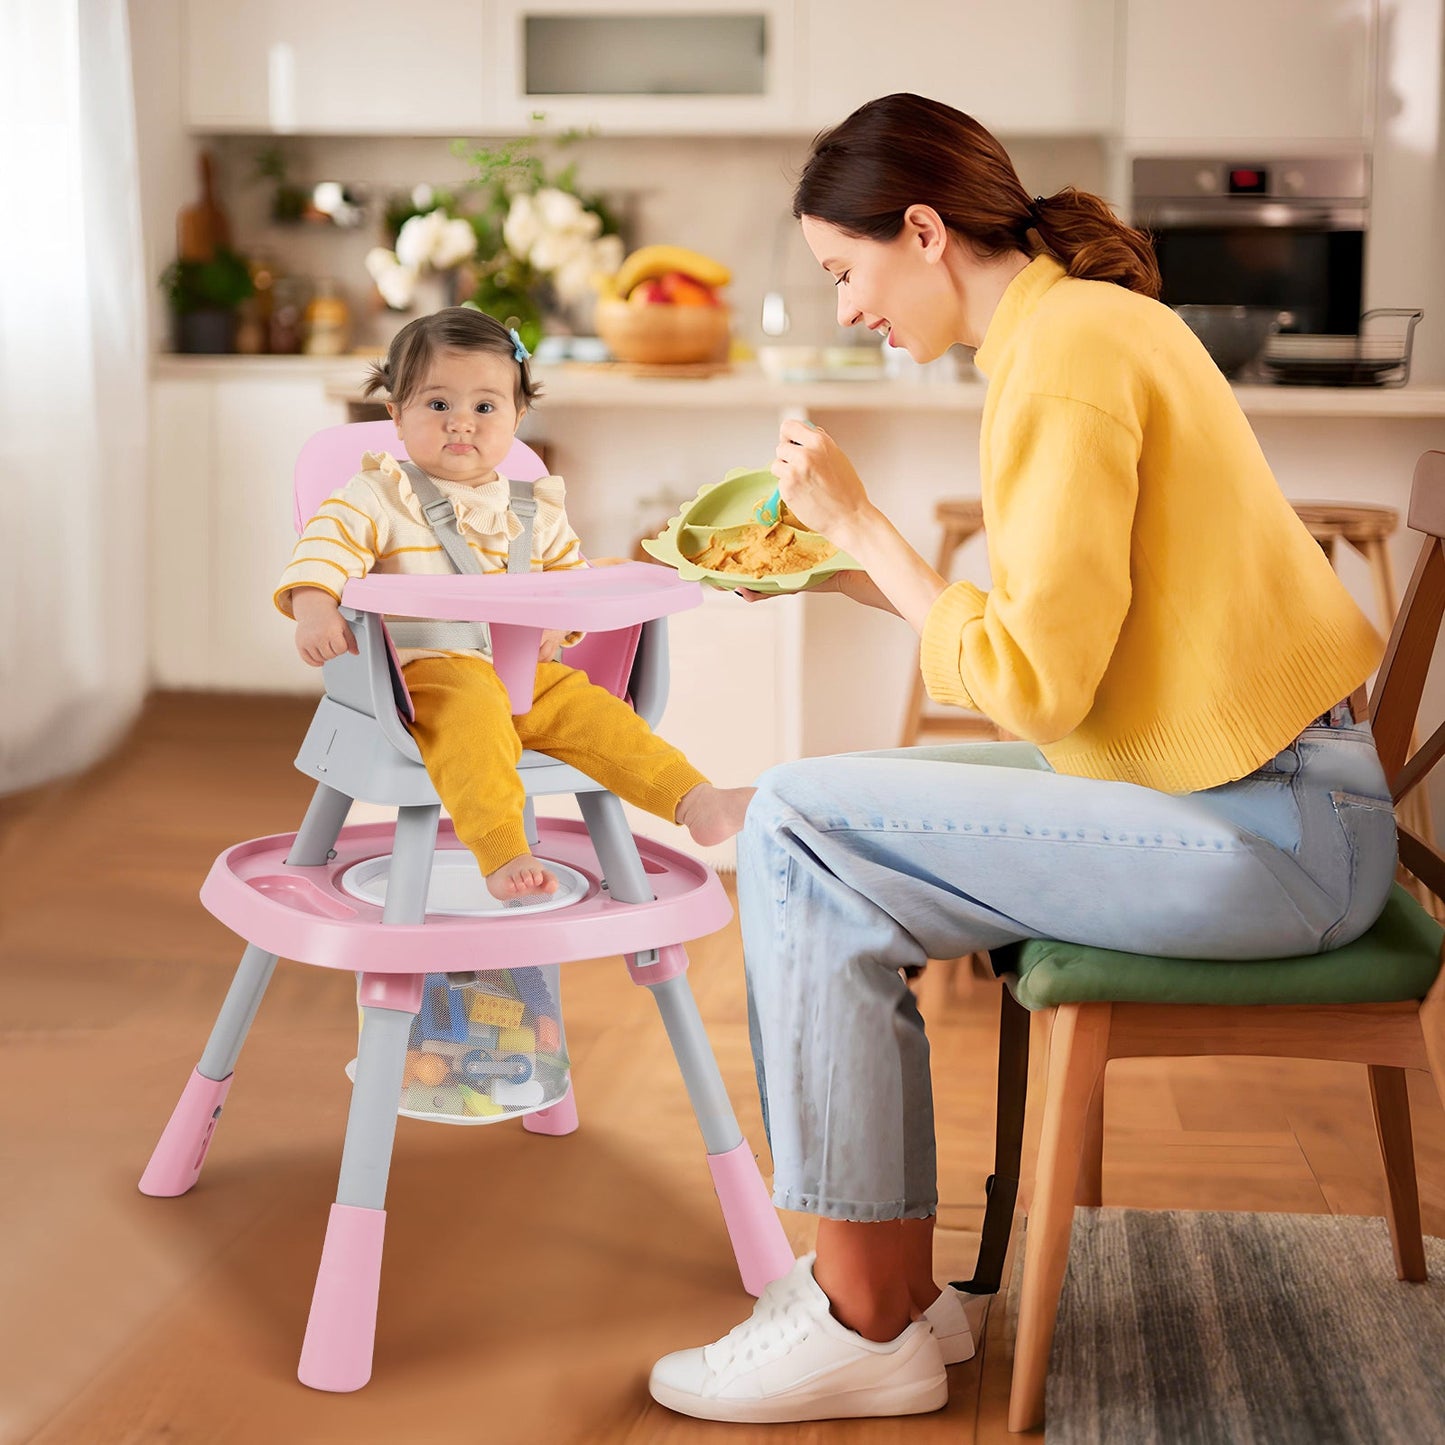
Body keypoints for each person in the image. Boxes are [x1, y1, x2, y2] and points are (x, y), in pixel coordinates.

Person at [647, 93, 1397, 1424]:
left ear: (923, 231)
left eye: (845, 272)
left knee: (805, 822)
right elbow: (1050, 644)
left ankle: (867, 1311)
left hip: (1274, 837)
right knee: (813, 838)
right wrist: (844, 565)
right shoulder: (1072, 333)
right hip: (1256, 800)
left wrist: (868, 523)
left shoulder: (1062, 360)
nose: (847, 310)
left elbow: (1032, 689)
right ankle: (876, 1295)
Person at [275, 308, 753, 899]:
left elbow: (572, 583)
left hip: (525, 674)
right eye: (437, 404)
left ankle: (693, 798)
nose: (462, 425)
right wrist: (315, 605)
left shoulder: (535, 506)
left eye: (484, 407)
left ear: (518, 417)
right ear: (396, 414)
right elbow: (323, 547)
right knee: (473, 713)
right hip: (425, 676)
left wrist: (561, 625)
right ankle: (502, 848)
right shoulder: (376, 494)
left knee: (596, 714)